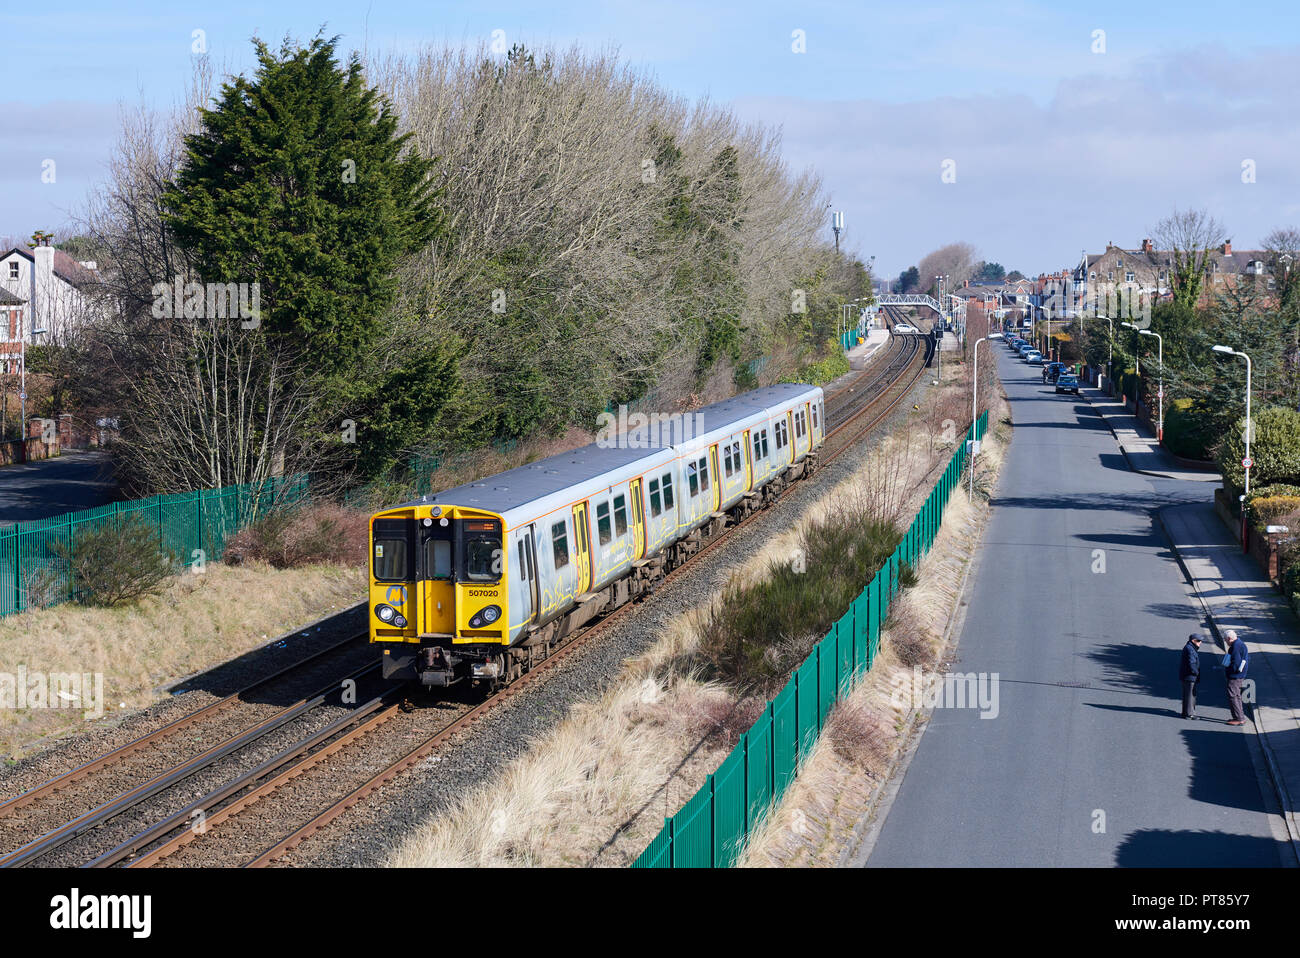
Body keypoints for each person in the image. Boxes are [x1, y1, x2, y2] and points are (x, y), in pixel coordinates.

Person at [1224, 630, 1250, 726]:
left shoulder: (1235, 647)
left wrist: (1229, 672)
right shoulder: (1241, 644)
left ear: (1229, 639)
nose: (1226, 642)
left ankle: (1239, 718)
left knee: (1233, 696)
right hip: (1240, 675)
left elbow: (1235, 663)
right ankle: (1239, 716)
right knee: (1237, 696)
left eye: (1226, 640)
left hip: (1235, 676)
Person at [1179, 633, 1203, 719]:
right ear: (1193, 641)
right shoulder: (1190, 649)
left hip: (1186, 675)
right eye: (1199, 641)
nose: (1201, 642)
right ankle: (1190, 714)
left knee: (1187, 694)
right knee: (1190, 695)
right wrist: (1196, 673)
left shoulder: (1189, 647)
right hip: (1190, 676)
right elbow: (1191, 663)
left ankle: (1185, 712)